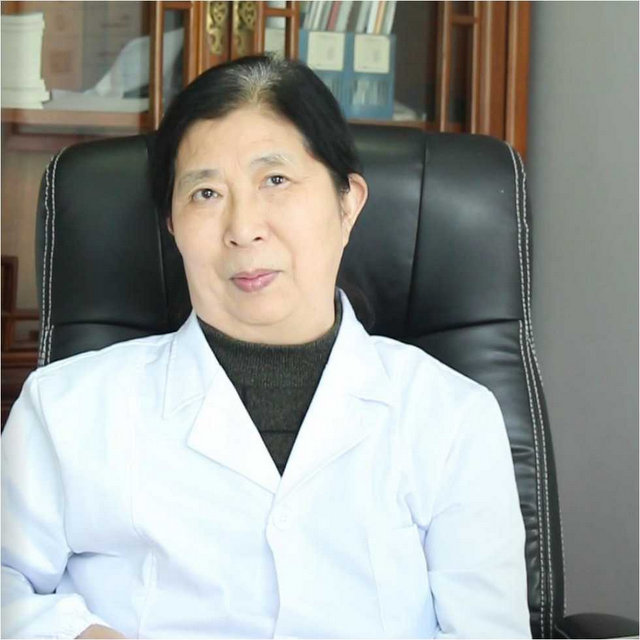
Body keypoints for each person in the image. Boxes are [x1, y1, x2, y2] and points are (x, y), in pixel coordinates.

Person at [1, 55, 531, 639]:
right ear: (172, 224)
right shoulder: (68, 409)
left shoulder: (451, 416)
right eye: (205, 192)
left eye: (275, 180)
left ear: (348, 203)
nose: (243, 228)